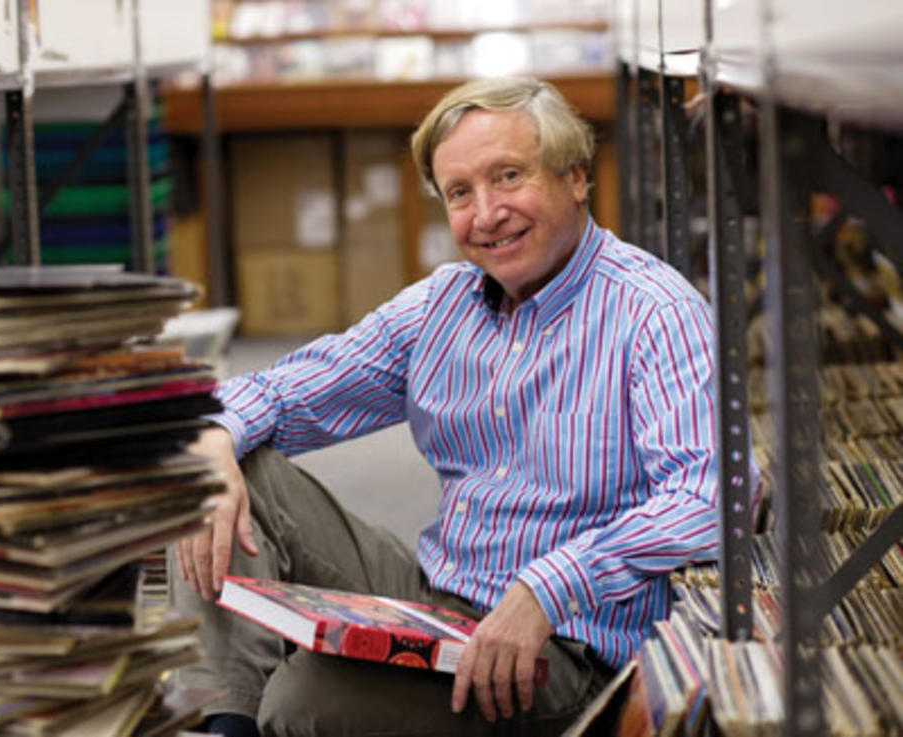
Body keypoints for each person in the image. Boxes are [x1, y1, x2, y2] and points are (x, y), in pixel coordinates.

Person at [171, 76, 723, 737]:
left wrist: (549, 585)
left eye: (509, 176)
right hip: (439, 599)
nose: (486, 213)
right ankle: (222, 725)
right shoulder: (441, 305)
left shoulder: (657, 312)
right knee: (223, 470)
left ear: (576, 176)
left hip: (568, 652)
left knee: (305, 697)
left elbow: (706, 498)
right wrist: (211, 434)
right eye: (460, 193)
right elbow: (287, 388)